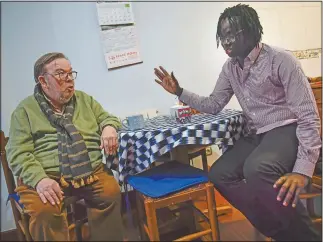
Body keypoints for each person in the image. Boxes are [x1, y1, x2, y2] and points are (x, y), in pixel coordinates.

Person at [154, 4, 321, 241]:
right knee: (219, 173)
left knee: (256, 168)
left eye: (231, 34)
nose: (226, 41)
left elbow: (308, 115)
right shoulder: (230, 68)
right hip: (257, 135)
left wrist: (303, 170)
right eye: (222, 36)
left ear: (251, 31)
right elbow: (214, 104)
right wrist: (179, 91)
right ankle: (279, 231)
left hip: (285, 128)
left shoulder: (281, 60)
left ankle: (307, 236)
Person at [6, 52, 124, 241]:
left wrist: (109, 127)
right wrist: (40, 180)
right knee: (45, 211)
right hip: (46, 176)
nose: (69, 80)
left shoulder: (84, 100)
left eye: (71, 73)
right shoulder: (24, 110)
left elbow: (107, 117)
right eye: (61, 74)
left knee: (110, 193)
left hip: (89, 171)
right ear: (43, 81)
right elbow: (18, 153)